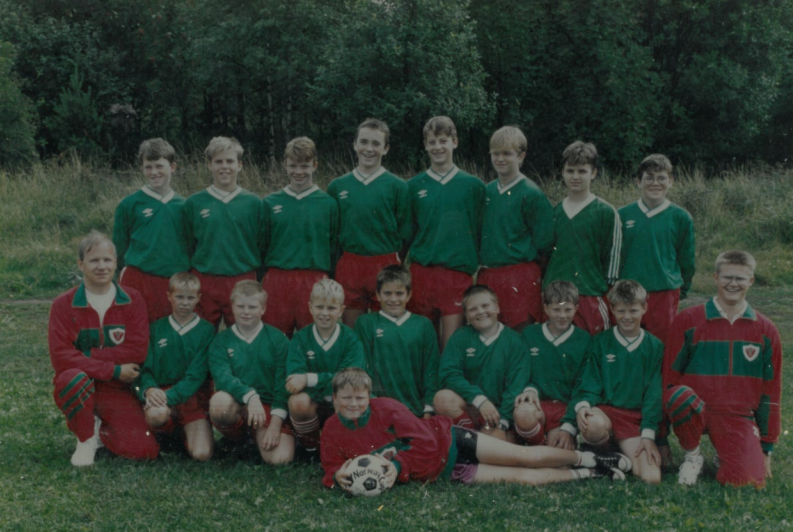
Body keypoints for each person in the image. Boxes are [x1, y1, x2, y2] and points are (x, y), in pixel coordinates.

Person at [322, 368, 630, 491]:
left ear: (369, 396)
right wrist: (336, 476)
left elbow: (426, 442)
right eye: (345, 399)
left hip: (451, 442)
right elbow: (332, 465)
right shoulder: (332, 429)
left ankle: (591, 458)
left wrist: (398, 466)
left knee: (523, 457)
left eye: (359, 398)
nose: (353, 404)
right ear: (334, 400)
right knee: (525, 478)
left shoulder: (387, 408)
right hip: (445, 471)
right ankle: (591, 473)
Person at [662, 250, 782, 487]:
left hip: (736, 415)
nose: (733, 284)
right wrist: (660, 439)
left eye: (740, 278)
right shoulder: (688, 320)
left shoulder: (766, 330)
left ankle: (728, 453)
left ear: (751, 281)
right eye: (727, 277)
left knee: (747, 480)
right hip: (695, 408)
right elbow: (668, 379)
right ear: (716, 278)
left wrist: (766, 448)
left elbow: (771, 391)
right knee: (677, 395)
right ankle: (693, 455)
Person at [49, 231, 158, 466]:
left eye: (107, 260)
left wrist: (87, 356)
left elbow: (137, 350)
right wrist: (113, 369)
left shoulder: (132, 299)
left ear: (116, 263)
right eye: (94, 260)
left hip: (115, 387)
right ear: (81, 264)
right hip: (84, 379)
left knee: (144, 450)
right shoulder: (63, 304)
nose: (101, 266)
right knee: (72, 378)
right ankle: (86, 438)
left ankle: (101, 428)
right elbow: (61, 357)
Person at [407, 116, 485, 349]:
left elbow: (479, 230)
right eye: (432, 142)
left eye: (443, 141)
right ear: (425, 145)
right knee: (425, 346)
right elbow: (408, 232)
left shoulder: (473, 185)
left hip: (456, 274)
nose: (437, 147)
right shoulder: (413, 186)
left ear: (455, 142)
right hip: (422, 273)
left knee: (451, 347)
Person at [574, 280, 663, 484]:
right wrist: (583, 406)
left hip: (634, 420)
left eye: (633, 310)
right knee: (593, 425)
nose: (627, 317)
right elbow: (590, 381)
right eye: (621, 311)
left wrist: (648, 435)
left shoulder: (655, 346)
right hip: (606, 413)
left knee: (651, 478)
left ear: (644, 308)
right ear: (612, 309)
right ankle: (602, 452)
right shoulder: (601, 341)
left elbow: (654, 394)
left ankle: (616, 457)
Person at [328, 119, 410, 328]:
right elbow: (333, 233)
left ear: (386, 148)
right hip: (350, 264)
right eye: (364, 142)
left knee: (386, 330)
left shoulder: (398, 186)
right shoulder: (338, 186)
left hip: (385, 263)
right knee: (352, 331)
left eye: (376, 143)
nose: (369, 149)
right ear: (355, 144)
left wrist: (395, 262)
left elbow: (405, 232)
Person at [207, 281, 294, 464]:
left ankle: (257, 437)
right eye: (241, 306)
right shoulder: (221, 340)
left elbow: (283, 385)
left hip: (268, 407)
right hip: (240, 404)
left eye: (252, 307)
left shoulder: (278, 339)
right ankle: (237, 440)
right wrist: (250, 396)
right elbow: (222, 377)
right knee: (219, 403)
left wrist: (275, 424)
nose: (246, 312)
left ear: (263, 309)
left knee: (280, 459)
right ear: (232, 307)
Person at [184, 136, 267, 328]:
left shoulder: (254, 203)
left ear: (240, 165)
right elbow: (188, 243)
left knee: (243, 334)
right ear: (209, 165)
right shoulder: (194, 203)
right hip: (205, 279)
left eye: (230, 161)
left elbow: (262, 244)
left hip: (242, 278)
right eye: (218, 161)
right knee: (201, 334)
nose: (224, 166)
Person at [262, 137, 339, 337]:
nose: (299, 171)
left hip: (313, 278)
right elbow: (262, 245)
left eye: (305, 166)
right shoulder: (270, 202)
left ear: (315, 165)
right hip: (278, 279)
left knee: (313, 339)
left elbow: (334, 247)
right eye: (293, 165)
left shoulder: (328, 203)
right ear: (285, 165)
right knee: (275, 339)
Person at [479, 126, 553, 331]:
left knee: (520, 334)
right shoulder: (487, 191)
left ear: (521, 156)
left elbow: (545, 245)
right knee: (489, 335)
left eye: (506, 153)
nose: (500, 159)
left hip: (520, 275)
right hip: (489, 274)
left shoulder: (531, 193)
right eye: (495, 153)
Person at [543, 141, 621, 335]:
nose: (575, 176)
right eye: (570, 171)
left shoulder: (605, 211)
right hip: (555, 297)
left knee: (592, 348)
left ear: (593, 173)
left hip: (589, 296)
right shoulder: (554, 212)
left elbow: (611, 262)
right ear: (562, 173)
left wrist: (598, 288)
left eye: (582, 171)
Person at [135, 272, 215, 461]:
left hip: (192, 398)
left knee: (202, 454)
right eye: (179, 297)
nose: (185, 303)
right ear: (169, 296)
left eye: (190, 298)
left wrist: (168, 397)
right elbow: (144, 369)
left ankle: (184, 435)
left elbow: (196, 376)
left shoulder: (207, 330)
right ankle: (168, 437)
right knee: (156, 415)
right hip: (161, 394)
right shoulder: (156, 328)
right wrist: (149, 389)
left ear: (198, 298)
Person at [433, 285, 529, 442]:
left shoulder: (515, 341)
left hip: (499, 413)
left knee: (491, 447)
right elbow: (448, 374)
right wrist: (479, 400)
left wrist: (502, 423)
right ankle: (467, 435)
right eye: (473, 309)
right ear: (466, 315)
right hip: (471, 405)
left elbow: (516, 386)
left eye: (485, 306)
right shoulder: (460, 336)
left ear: (497, 308)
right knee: (442, 398)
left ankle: (484, 438)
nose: (480, 312)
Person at [619, 154, 695, 344]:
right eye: (649, 178)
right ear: (638, 181)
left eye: (661, 178)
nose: (655, 183)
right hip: (628, 293)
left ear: (671, 181)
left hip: (664, 293)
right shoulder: (622, 215)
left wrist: (681, 290)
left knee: (661, 345)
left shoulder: (681, 217)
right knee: (628, 343)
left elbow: (686, 259)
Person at [113, 138, 191, 323]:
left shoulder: (185, 206)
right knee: (137, 331)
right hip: (138, 279)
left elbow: (190, 246)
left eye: (159, 166)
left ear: (172, 167)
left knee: (168, 333)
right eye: (148, 167)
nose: (154, 172)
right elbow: (119, 247)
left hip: (173, 282)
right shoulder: (129, 204)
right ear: (142, 169)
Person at [286, 279, 366, 450]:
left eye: (331, 308)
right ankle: (312, 448)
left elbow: (351, 379)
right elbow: (294, 380)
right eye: (319, 307)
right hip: (314, 402)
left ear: (341, 310)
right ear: (310, 307)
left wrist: (309, 379)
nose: (324, 313)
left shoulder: (351, 339)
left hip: (341, 400)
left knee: (352, 398)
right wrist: (327, 390)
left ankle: (339, 448)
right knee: (298, 401)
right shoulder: (300, 338)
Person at [513, 281, 591, 449]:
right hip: (538, 405)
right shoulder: (530, 334)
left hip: (566, 409)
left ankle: (551, 449)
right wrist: (530, 389)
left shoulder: (584, 339)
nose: (562, 315)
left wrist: (569, 426)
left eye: (568, 310)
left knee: (559, 452)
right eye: (556, 309)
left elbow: (583, 385)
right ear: (546, 309)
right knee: (523, 414)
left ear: (576, 308)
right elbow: (520, 372)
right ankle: (538, 444)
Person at [353, 265, 439, 418]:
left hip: (415, 410)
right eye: (387, 293)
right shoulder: (365, 323)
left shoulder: (423, 325)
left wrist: (428, 408)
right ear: (378, 295)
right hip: (377, 409)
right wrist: (372, 402)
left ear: (409, 295)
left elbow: (431, 369)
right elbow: (361, 369)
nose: (393, 299)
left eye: (399, 293)